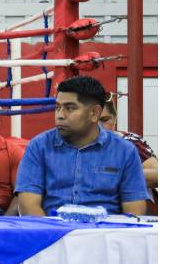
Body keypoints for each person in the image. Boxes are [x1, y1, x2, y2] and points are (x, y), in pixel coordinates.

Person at [16, 76, 150, 216]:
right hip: (51, 228)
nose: (60, 115)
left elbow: (134, 212)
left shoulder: (125, 151)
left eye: (69, 108)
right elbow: (28, 207)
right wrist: (54, 230)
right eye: (57, 107)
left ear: (94, 113)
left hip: (108, 229)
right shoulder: (39, 146)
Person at [99, 96, 158, 191]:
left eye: (105, 120)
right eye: (92, 121)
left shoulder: (130, 140)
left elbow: (156, 174)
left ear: (115, 118)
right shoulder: (74, 143)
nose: (99, 127)